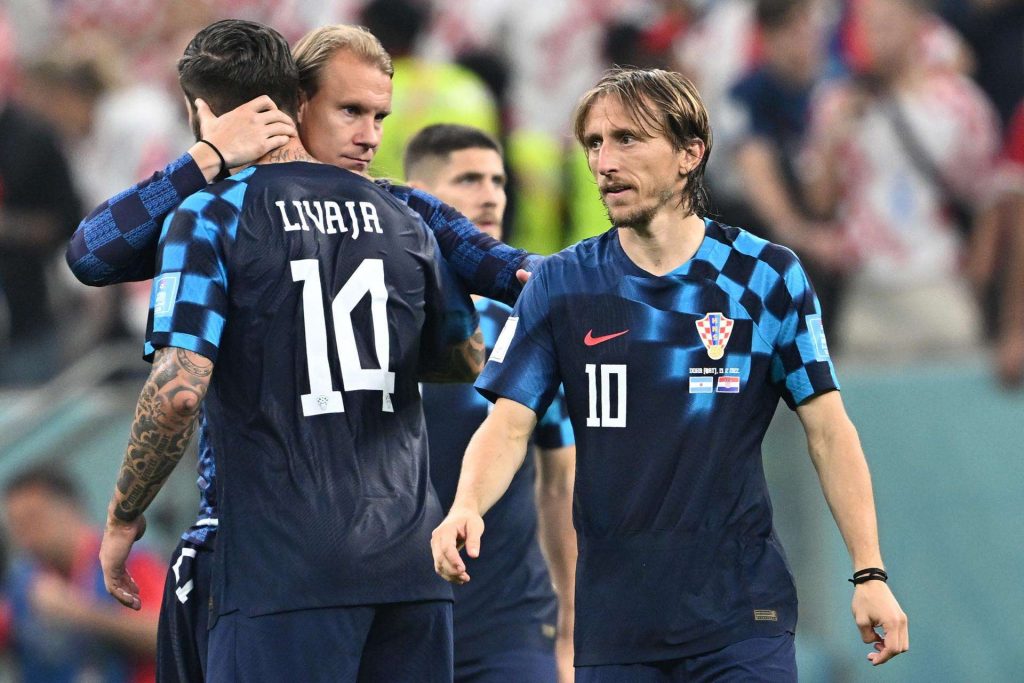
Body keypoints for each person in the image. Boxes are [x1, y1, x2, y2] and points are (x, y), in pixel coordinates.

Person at [64, 23, 536, 682]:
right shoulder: (407, 216)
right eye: (353, 111)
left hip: (278, 572)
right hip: (408, 572)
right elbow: (513, 292)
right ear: (297, 104)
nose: (372, 134)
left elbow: (98, 264)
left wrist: (122, 516)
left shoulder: (212, 215)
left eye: (379, 116)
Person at [431, 67, 909, 680]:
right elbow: (509, 424)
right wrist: (467, 503)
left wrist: (869, 572)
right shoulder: (561, 284)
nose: (604, 161)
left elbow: (829, 431)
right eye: (594, 144)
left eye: (628, 139)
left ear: (690, 153)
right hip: (616, 624)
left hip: (741, 617)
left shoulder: (765, 277)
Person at [406, 123, 577, 683]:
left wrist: (572, 623)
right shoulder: (379, 319)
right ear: (418, 196)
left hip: (511, 627)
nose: (491, 195)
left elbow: (559, 483)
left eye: (499, 180)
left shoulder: (527, 323)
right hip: (397, 621)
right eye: (469, 179)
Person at [0, 464, 163, 682]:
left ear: (69, 508)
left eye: (33, 520)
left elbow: (167, 634)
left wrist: (82, 613)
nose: (26, 537)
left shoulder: (128, 559)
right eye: (18, 527)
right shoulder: (23, 588)